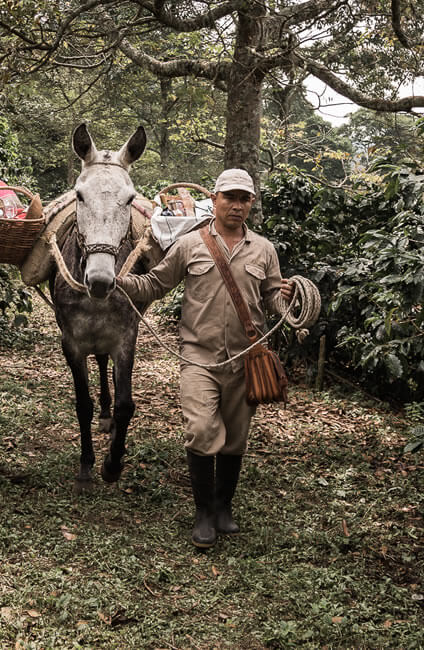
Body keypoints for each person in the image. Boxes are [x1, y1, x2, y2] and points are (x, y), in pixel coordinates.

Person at [117, 168, 294, 547]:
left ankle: (222, 506)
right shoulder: (190, 244)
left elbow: (273, 301)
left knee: (235, 437)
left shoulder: (264, 249)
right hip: (199, 356)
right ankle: (202, 512)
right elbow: (156, 283)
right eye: (229, 197)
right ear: (214, 200)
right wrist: (121, 281)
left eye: (244, 198)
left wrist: (290, 300)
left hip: (247, 357)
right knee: (200, 429)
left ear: (251, 204)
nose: (236, 205)